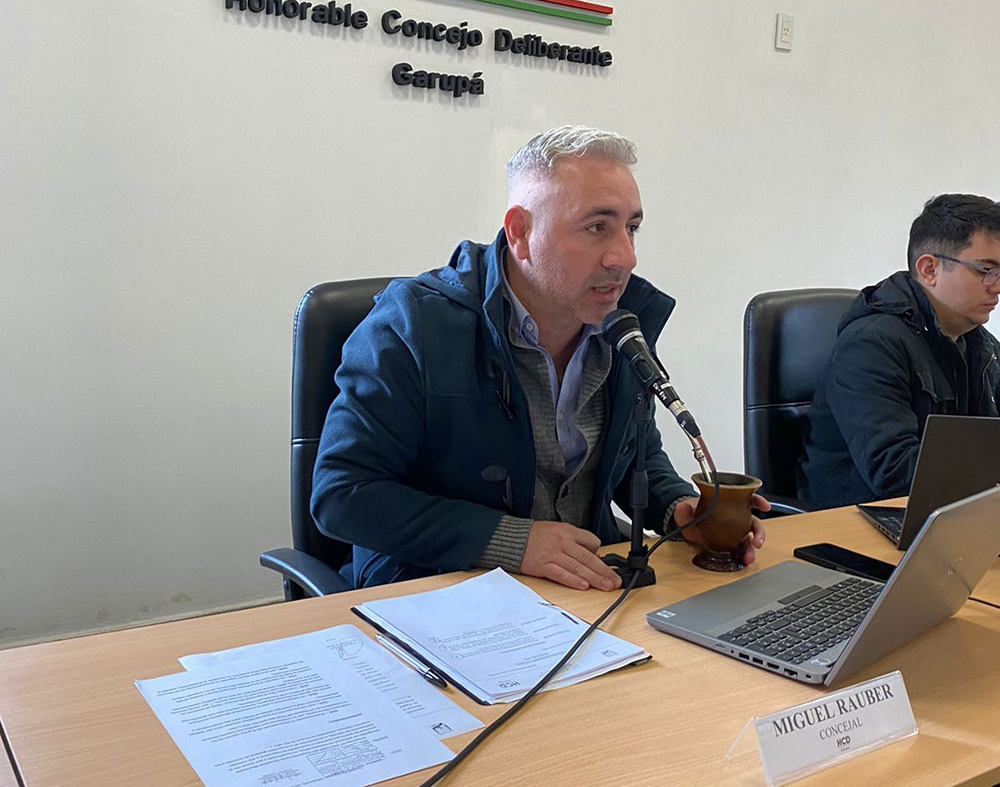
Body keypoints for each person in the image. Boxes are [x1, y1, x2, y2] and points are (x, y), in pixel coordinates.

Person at [311, 125, 767, 590]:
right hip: (438, 587)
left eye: (631, 228)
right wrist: (512, 541)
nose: (625, 257)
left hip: (583, 590)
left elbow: (635, 453)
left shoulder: (622, 323)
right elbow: (342, 494)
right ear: (521, 233)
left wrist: (679, 509)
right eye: (597, 227)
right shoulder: (413, 324)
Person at [800, 193, 1000, 509]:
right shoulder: (870, 345)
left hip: (947, 514)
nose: (997, 286)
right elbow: (893, 472)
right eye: (986, 270)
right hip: (857, 521)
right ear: (929, 269)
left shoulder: (979, 344)